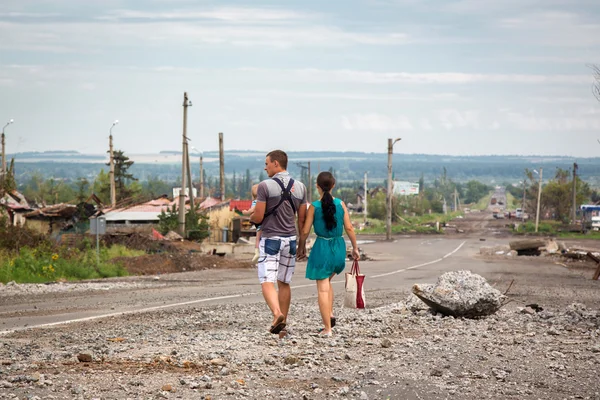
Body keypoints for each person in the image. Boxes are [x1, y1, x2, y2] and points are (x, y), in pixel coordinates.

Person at [250, 150, 307, 335]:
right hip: (290, 239)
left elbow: (258, 216)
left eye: (267, 163)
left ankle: (276, 314)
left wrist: (251, 216)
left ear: (276, 163)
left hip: (271, 239)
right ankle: (284, 321)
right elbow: (302, 219)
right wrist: (301, 244)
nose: (265, 167)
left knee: (267, 281)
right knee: (284, 282)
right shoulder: (300, 187)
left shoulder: (264, 186)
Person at [299, 171, 360, 337]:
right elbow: (349, 228)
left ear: (317, 186)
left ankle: (327, 328)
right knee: (327, 281)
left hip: (322, 248)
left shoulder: (314, 207)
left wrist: (301, 246)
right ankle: (330, 313)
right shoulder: (341, 204)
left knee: (322, 289)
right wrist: (355, 248)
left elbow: (305, 231)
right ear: (333, 186)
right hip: (339, 248)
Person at [241, 184, 261, 263]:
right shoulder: (263, 201)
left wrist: (245, 212)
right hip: (263, 223)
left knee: (257, 238)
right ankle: (257, 252)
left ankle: (256, 252)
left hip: (259, 224)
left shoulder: (256, 202)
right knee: (259, 238)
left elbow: (252, 210)